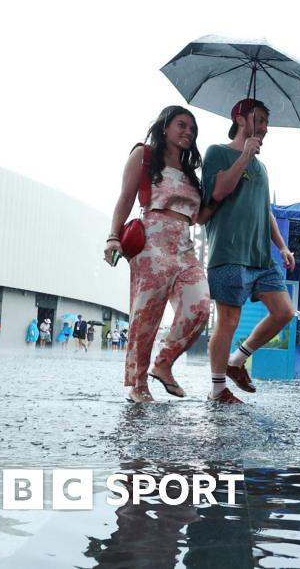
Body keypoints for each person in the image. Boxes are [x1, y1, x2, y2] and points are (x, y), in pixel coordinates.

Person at [105, 105, 212, 403]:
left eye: (192, 128)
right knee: (146, 316)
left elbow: (201, 215)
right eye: (182, 125)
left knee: (200, 305)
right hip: (152, 242)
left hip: (184, 245)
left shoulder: (192, 174)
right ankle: (138, 384)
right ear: (165, 127)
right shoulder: (144, 155)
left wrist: (234, 176)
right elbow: (125, 198)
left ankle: (163, 363)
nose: (188, 132)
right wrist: (113, 237)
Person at [201, 98, 296, 404]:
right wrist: (244, 156)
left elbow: (264, 210)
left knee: (284, 312)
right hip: (228, 251)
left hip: (261, 256)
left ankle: (237, 360)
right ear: (240, 118)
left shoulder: (262, 167)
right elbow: (219, 191)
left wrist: (282, 246)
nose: (266, 128)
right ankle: (217, 390)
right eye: (260, 120)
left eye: (267, 122)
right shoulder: (217, 153)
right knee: (228, 320)